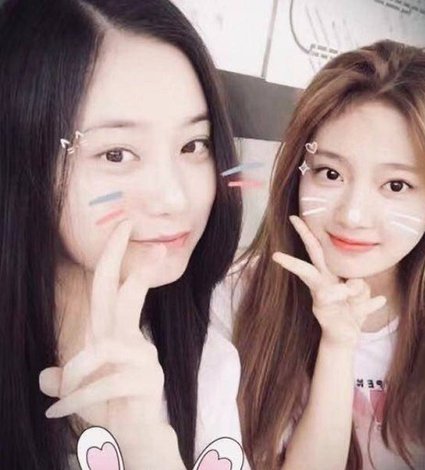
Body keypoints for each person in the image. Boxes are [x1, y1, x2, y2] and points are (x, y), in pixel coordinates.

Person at [0, 1, 244, 468]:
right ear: (23, 155)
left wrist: (147, 445)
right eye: (116, 154)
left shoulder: (206, 363)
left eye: (193, 145)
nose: (174, 198)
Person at [233, 40, 425, 469]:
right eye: (330, 173)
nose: (352, 215)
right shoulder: (235, 297)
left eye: (396, 185)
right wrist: (337, 345)